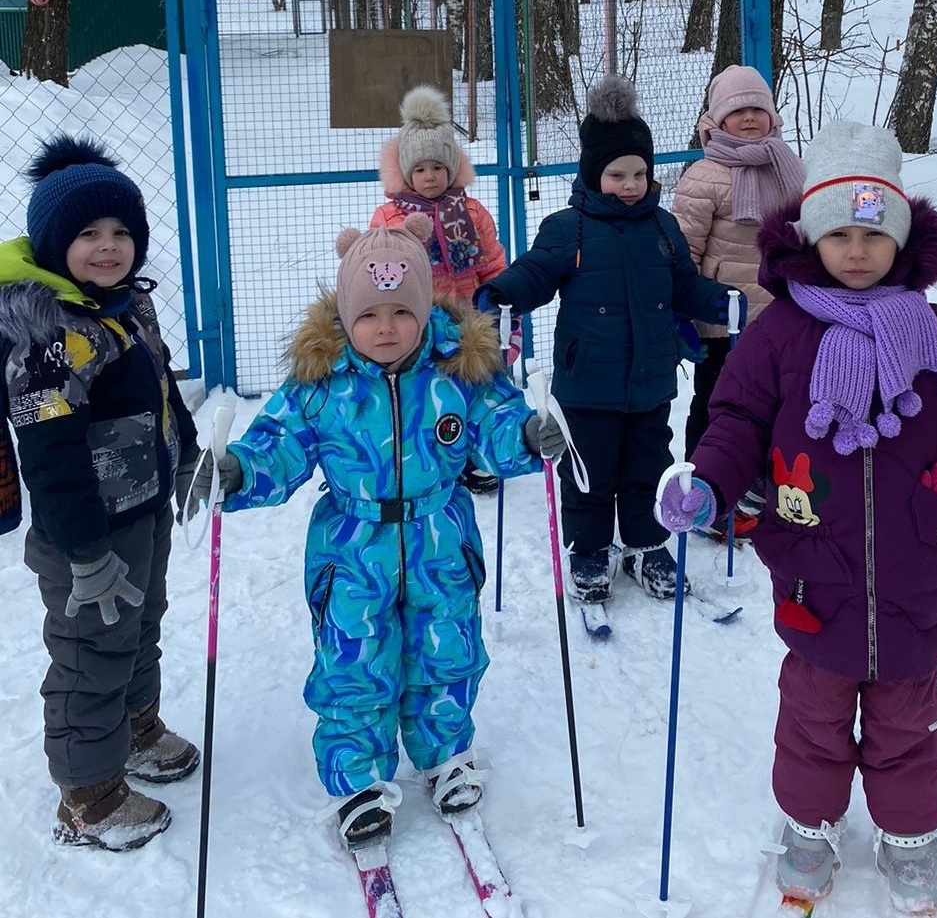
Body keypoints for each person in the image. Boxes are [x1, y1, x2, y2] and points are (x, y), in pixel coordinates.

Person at [654, 121, 937, 914]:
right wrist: (709, 484)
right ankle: (810, 823)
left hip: (914, 575)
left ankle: (908, 836)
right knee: (812, 718)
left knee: (909, 724)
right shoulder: (780, 334)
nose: (856, 250)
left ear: (899, 237)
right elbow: (735, 424)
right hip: (812, 573)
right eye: (839, 233)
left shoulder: (933, 334)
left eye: (873, 232)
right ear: (810, 236)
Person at [189, 216, 564, 851]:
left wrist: (527, 437)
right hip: (352, 547)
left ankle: (444, 754)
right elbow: (278, 446)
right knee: (354, 662)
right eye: (368, 315)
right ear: (345, 317)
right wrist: (239, 469)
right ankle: (358, 778)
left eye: (400, 312)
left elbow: (497, 422)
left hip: (440, 539)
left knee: (446, 651)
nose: (384, 328)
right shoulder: (322, 380)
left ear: (423, 309)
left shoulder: (457, 369)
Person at [0, 135, 201, 851]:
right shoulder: (47, 332)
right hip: (83, 532)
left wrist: (186, 458)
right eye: (88, 233)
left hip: (140, 510)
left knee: (141, 623)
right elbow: (50, 457)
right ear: (55, 243)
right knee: (92, 649)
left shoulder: (123, 306)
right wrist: (84, 552)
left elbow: (162, 389)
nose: (109, 246)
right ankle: (86, 795)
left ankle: (136, 728)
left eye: (121, 232)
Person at [473, 74, 739, 604]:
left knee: (648, 467)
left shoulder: (663, 228)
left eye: (640, 173)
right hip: (586, 383)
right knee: (589, 472)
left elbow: (682, 285)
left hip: (649, 382)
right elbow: (536, 273)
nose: (631, 184)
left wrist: (718, 300)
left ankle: (646, 544)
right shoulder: (567, 228)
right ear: (594, 175)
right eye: (617, 174)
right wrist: (502, 292)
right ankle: (589, 548)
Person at [670, 65, 806, 546]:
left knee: (774, 408)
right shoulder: (704, 176)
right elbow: (682, 248)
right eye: (738, 111)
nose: (749, 119)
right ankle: (704, 490)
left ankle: (756, 493)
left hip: (781, 318)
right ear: (717, 120)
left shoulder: (788, 165)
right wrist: (682, 311)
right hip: (722, 320)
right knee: (717, 407)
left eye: (757, 110)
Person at [369, 84, 515, 496]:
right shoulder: (390, 214)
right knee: (420, 394)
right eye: (420, 169)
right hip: (413, 323)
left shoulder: (471, 212)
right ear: (406, 173)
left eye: (437, 167)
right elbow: (376, 267)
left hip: (467, 319)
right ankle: (420, 457)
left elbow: (492, 263)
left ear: (452, 168)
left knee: (468, 389)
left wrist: (499, 301)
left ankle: (472, 457)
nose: (430, 176)